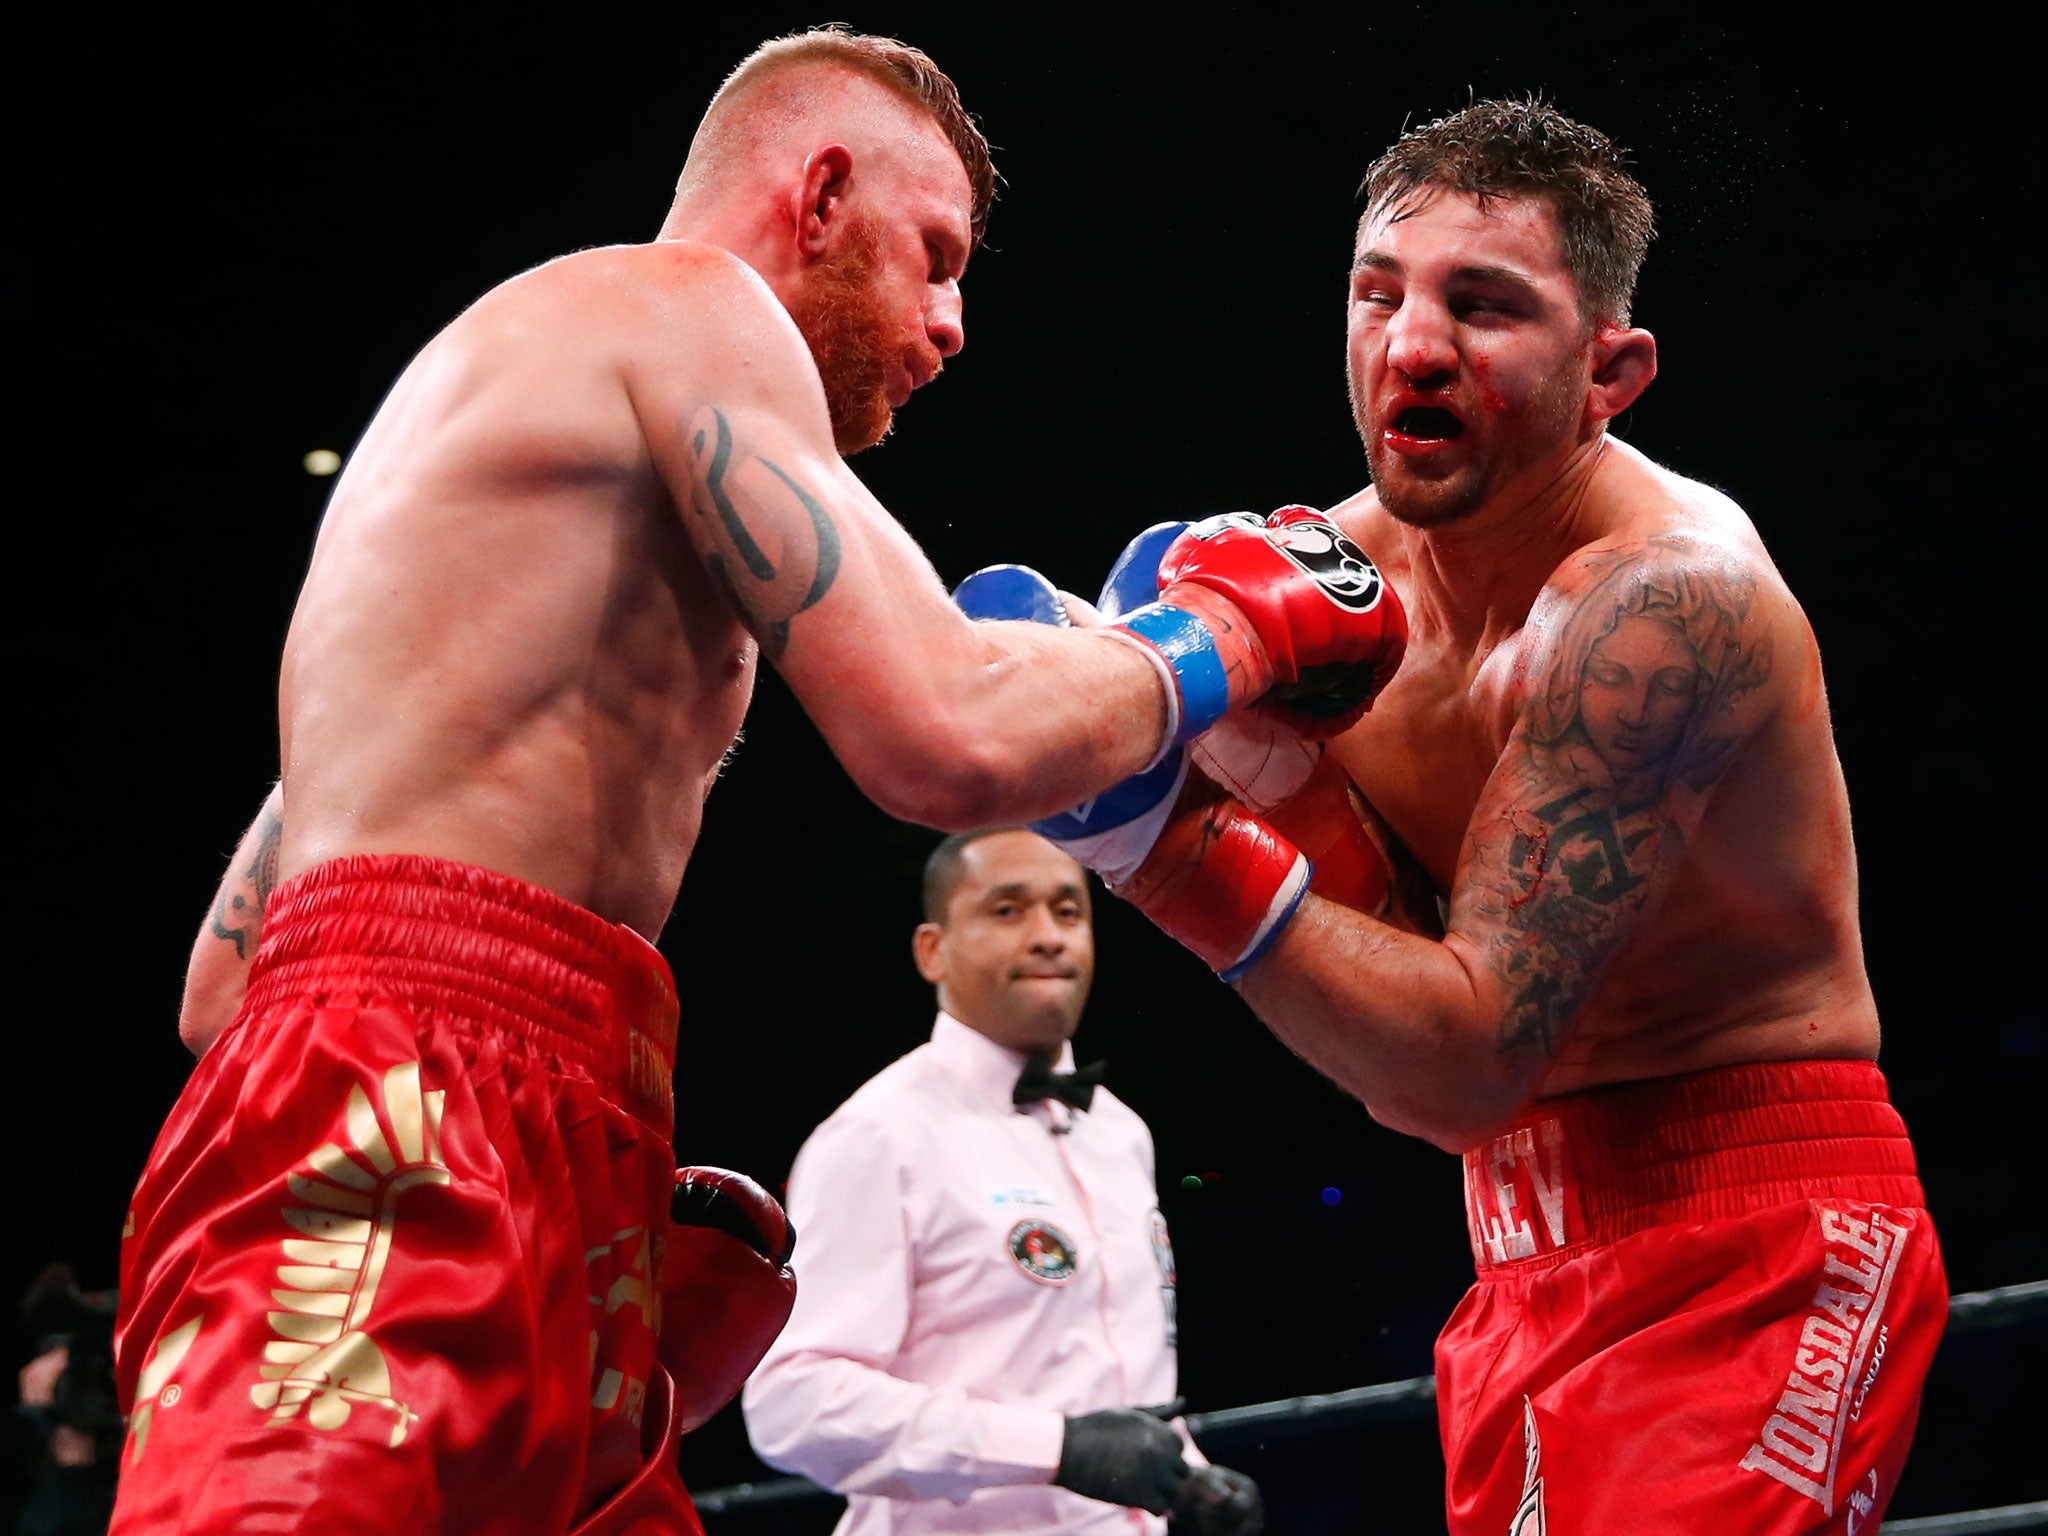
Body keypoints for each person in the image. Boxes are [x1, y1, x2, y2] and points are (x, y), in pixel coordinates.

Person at [109, 27, 1409, 1536]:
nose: (952, 321)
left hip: (504, 1091)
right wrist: (1230, 632)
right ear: (819, 196)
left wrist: (569, 1179)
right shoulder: (692, 310)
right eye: (933, 258)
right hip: (405, 1086)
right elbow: (948, 737)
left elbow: (227, 993)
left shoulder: (518, 483)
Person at [1017, 99, 1948, 1534]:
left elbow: (1465, 1067)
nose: (1415, 344)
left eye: (1486, 306)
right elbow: (1407, 1015)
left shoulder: (1660, 610)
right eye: (1378, 294)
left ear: (1611, 371)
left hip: (1755, 1236)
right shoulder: (1324, 607)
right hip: (1517, 1255)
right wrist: (1152, 729)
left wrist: (1160, 845)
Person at [742, 829, 1263, 1535]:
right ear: (934, 949)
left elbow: (1117, 1392)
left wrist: (1188, 1478)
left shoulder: (1120, 1133)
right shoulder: (880, 1137)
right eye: (1007, 910)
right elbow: (792, 1404)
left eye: (1068, 911)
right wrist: (1053, 1448)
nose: (1047, 936)